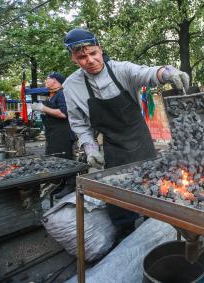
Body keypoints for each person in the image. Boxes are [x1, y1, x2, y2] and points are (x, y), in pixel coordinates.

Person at [62, 28, 189, 232]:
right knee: (119, 198)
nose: (90, 60)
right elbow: (79, 123)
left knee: (152, 190)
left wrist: (167, 72)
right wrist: (90, 148)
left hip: (141, 142)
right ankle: (124, 233)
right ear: (73, 59)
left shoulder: (122, 70)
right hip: (114, 148)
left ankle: (152, 229)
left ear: (100, 50)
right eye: (82, 57)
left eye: (93, 53)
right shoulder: (71, 86)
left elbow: (146, 73)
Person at [31, 72, 75, 160]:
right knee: (52, 159)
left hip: (62, 135)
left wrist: (43, 108)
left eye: (47, 78)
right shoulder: (54, 95)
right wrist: (44, 112)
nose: (46, 81)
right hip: (52, 133)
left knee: (61, 161)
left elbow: (63, 114)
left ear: (54, 80)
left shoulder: (62, 94)